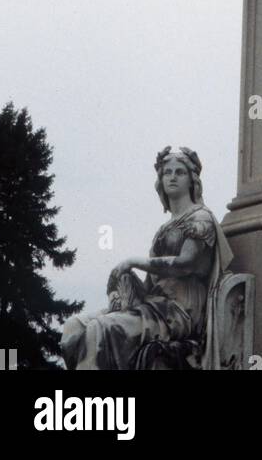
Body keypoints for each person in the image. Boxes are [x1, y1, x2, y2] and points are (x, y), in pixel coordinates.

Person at [61, 146, 232, 370]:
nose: (172, 177)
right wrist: (124, 288)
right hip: (154, 304)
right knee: (74, 326)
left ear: (192, 180)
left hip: (179, 309)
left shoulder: (201, 218)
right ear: (160, 180)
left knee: (101, 329)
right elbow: (150, 285)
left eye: (179, 172)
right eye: (167, 172)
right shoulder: (164, 228)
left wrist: (133, 261)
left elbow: (185, 264)